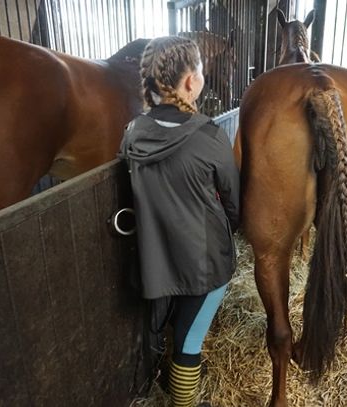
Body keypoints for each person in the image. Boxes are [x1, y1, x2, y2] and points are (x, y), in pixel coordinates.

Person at [119, 36, 240, 407]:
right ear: (191, 81)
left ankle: (180, 382)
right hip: (206, 263)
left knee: (181, 327)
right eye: (200, 67)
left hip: (157, 262)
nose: (202, 74)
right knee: (189, 341)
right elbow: (233, 202)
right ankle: (185, 401)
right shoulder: (208, 134)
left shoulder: (133, 133)